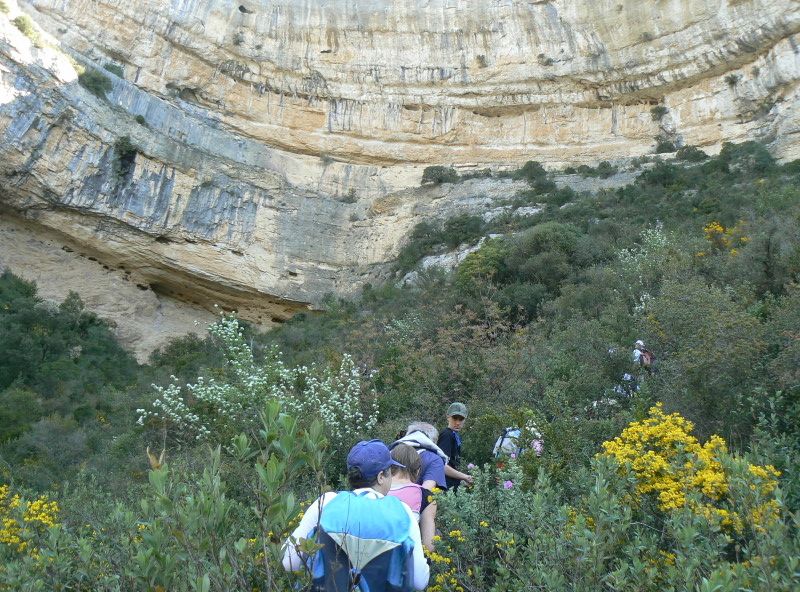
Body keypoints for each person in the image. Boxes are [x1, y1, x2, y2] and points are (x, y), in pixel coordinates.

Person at [282, 439, 430, 591]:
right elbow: (419, 582)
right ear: (380, 477)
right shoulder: (402, 511)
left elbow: (288, 563)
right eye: (389, 473)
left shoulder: (326, 502)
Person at [387, 443, 438, 553]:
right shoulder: (425, 496)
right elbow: (429, 545)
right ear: (418, 470)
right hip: (405, 558)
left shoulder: (377, 489)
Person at [391, 421, 448, 491]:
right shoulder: (435, 460)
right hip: (413, 500)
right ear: (434, 441)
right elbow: (427, 491)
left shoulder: (391, 452)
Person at [437, 402, 473, 490]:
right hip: (444, 487)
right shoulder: (447, 435)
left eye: (461, 419)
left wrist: (461, 480)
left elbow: (452, 464)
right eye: (455, 418)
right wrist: (465, 477)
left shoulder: (454, 435)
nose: (457, 423)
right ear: (448, 417)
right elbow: (442, 465)